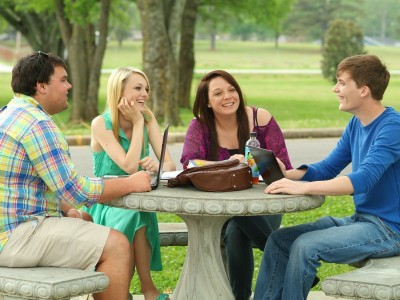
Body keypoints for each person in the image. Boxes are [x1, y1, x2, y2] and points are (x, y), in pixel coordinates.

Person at [0, 52, 152, 300]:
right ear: (41, 86)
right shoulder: (37, 124)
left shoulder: (8, 114)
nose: (69, 86)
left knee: (86, 219)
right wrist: (131, 182)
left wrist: (67, 209)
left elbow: (32, 184)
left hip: (11, 227)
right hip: (15, 237)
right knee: (117, 244)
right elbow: (76, 190)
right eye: (63, 80)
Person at [253, 54, 400, 300]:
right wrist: (288, 174)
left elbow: (363, 179)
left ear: (363, 90)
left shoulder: (392, 127)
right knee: (280, 240)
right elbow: (327, 168)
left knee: (305, 246)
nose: (335, 89)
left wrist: (303, 188)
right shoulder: (356, 124)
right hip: (362, 220)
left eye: (342, 83)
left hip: (390, 230)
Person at [180, 69, 293, 300]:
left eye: (232, 90)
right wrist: (227, 163)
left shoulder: (260, 119)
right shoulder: (200, 126)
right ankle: (286, 258)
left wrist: (276, 164)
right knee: (233, 224)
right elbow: (188, 164)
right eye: (218, 93)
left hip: (263, 205)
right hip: (218, 209)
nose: (228, 97)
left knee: (236, 228)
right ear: (208, 102)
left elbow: (285, 168)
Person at [83, 67, 175, 300]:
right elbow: (129, 166)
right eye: (137, 88)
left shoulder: (147, 117)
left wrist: (158, 166)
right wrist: (137, 124)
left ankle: (144, 289)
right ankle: (144, 290)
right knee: (136, 216)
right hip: (107, 204)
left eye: (146, 89)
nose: (144, 93)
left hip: (136, 200)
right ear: (118, 90)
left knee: (138, 213)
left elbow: (170, 165)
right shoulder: (101, 124)